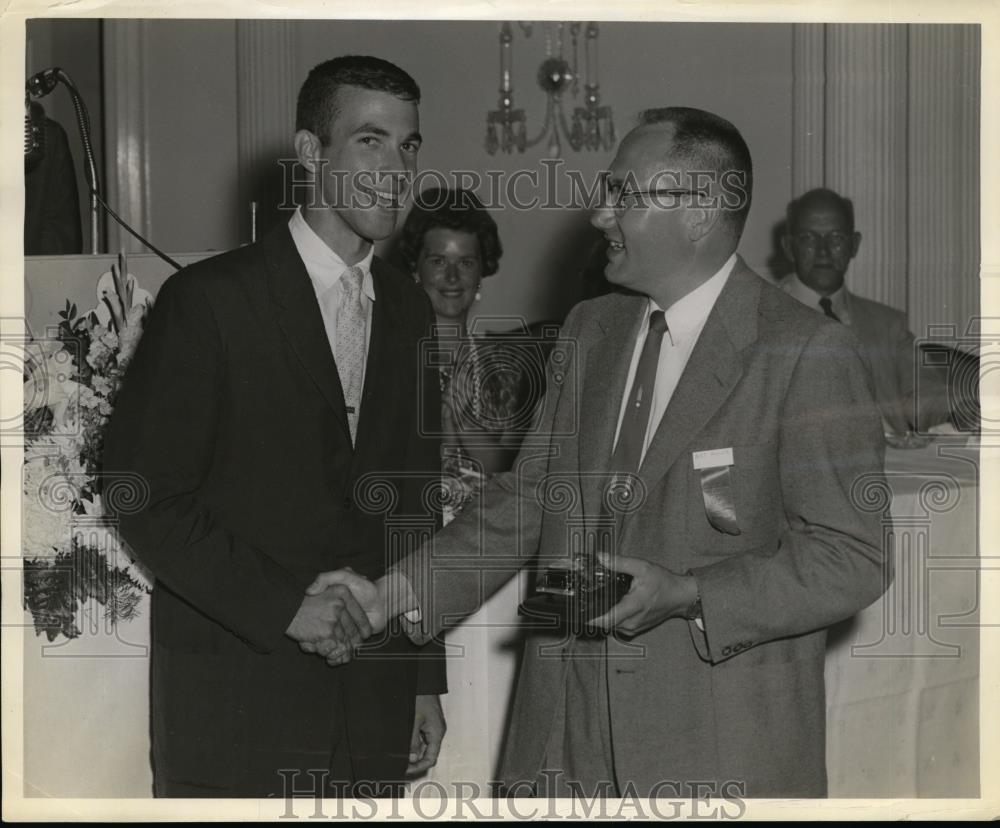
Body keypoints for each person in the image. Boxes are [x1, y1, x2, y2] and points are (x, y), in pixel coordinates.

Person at [311, 106, 892, 798]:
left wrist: (691, 595)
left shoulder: (805, 351)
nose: (599, 215)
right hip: (564, 739)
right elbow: (528, 499)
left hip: (715, 746)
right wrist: (392, 594)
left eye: (623, 194)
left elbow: (852, 556)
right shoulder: (592, 328)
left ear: (700, 209)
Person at [103, 55, 446, 798]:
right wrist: (287, 609)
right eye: (369, 140)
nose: (395, 168)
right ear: (310, 154)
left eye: (409, 145)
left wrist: (423, 679)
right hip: (239, 703)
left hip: (373, 705)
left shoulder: (412, 310)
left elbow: (415, 504)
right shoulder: (210, 302)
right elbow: (141, 494)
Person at [396, 187, 547, 785]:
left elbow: (507, 470)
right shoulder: (388, 357)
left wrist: (457, 398)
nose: (453, 276)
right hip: (410, 545)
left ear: (483, 271)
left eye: (466, 261)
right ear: (415, 268)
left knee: (486, 709)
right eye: (439, 260)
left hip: (487, 551)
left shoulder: (505, 363)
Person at [780, 187, 952, 435]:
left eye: (836, 238)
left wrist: (964, 411)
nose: (823, 250)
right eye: (808, 238)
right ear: (788, 247)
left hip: (889, 465)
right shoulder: (756, 319)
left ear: (854, 245)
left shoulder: (888, 325)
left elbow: (925, 395)